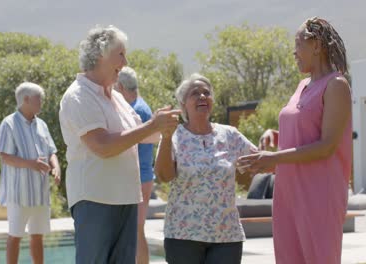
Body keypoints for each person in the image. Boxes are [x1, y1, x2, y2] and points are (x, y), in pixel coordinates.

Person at [59, 25, 180, 264]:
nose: (125, 62)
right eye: (121, 54)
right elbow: (102, 146)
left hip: (126, 198)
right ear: (102, 55)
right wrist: (153, 125)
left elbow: (143, 135)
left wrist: (165, 128)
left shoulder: (116, 97)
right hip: (95, 199)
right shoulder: (78, 96)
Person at [237, 17, 352, 264]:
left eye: (298, 43)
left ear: (317, 46)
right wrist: (276, 136)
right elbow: (306, 129)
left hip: (319, 194)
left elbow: (327, 145)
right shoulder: (302, 85)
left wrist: (274, 158)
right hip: (288, 193)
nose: (294, 51)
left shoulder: (336, 85)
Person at [155, 73, 256, 264]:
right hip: (184, 234)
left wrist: (273, 143)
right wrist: (166, 138)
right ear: (183, 104)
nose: (202, 97)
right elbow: (164, 176)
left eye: (206, 93)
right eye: (195, 93)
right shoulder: (173, 136)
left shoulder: (230, 135)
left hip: (226, 235)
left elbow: (259, 161)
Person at [0, 82, 61, 264]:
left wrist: (56, 166)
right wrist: (30, 164)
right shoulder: (8, 124)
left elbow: (51, 151)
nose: (42, 102)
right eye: (38, 99)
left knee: (37, 236)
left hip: (40, 193)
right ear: (26, 99)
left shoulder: (41, 124)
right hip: (20, 193)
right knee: (15, 236)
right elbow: (5, 156)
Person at [114, 66, 157, 264]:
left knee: (137, 230)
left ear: (121, 86)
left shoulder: (136, 110)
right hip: (141, 177)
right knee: (135, 230)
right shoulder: (139, 106)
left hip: (139, 178)